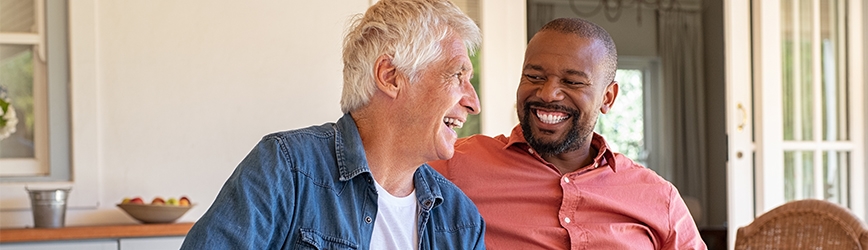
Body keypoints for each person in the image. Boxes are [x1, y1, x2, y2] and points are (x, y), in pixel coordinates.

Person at [181, 0, 485, 249]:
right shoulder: (286, 169)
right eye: (457, 75)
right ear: (391, 77)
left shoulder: (461, 219)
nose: (473, 102)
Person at [428, 17, 707, 249]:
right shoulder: (455, 165)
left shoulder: (659, 198)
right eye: (534, 77)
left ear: (607, 98)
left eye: (572, 82)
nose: (548, 93)